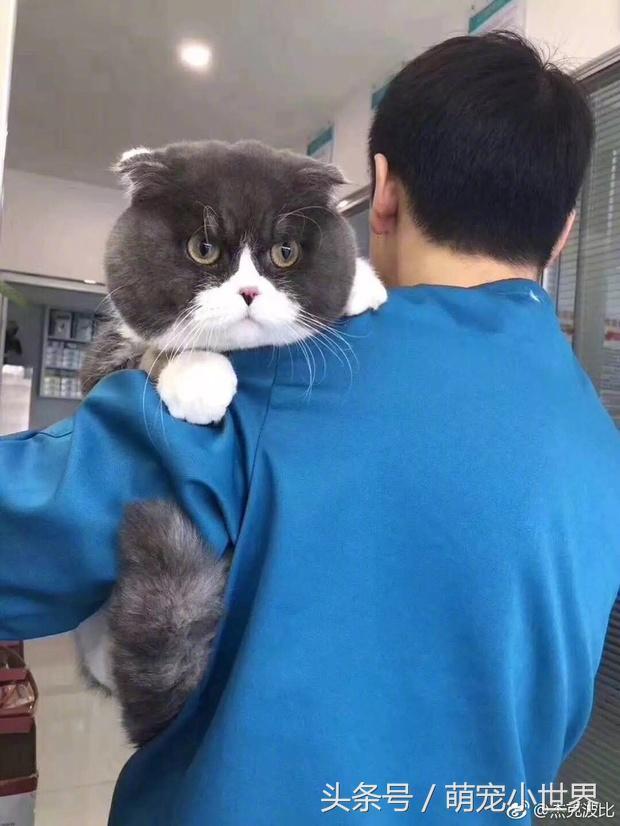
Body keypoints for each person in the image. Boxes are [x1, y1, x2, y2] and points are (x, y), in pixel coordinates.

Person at [1, 32, 619, 825]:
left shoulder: (269, 376)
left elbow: (25, 543)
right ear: (564, 230)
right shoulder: (600, 448)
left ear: (383, 192)